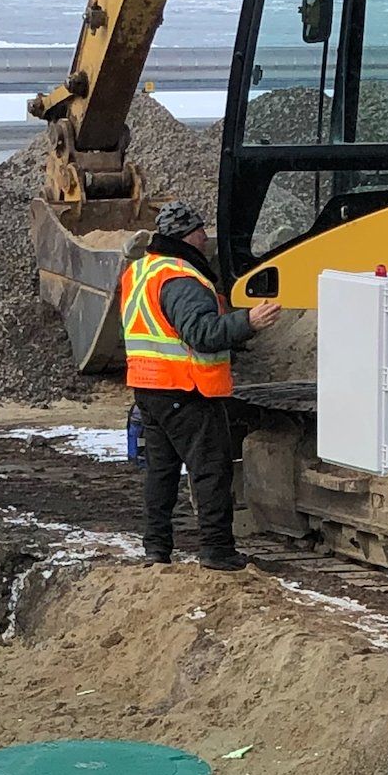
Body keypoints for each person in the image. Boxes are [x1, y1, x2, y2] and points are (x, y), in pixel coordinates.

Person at [118, 201, 280, 571]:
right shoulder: (181, 278)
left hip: (149, 387)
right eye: (200, 231)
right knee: (210, 470)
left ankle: (156, 548)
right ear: (186, 236)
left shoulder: (142, 270)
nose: (205, 238)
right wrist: (248, 322)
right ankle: (217, 550)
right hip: (185, 389)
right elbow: (202, 334)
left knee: (161, 473)